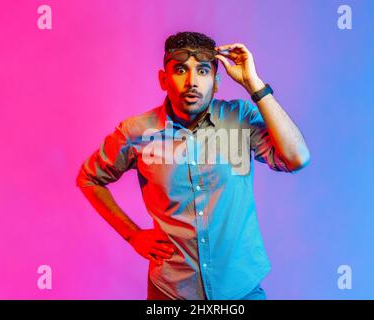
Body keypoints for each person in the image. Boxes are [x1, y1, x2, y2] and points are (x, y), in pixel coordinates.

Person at [76, 31, 310, 300]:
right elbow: (90, 179)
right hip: (171, 291)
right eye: (180, 70)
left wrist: (253, 84)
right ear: (163, 79)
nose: (192, 82)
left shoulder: (241, 118)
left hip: (241, 289)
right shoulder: (137, 131)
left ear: (217, 81)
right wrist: (133, 236)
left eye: (202, 71)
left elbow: (297, 158)